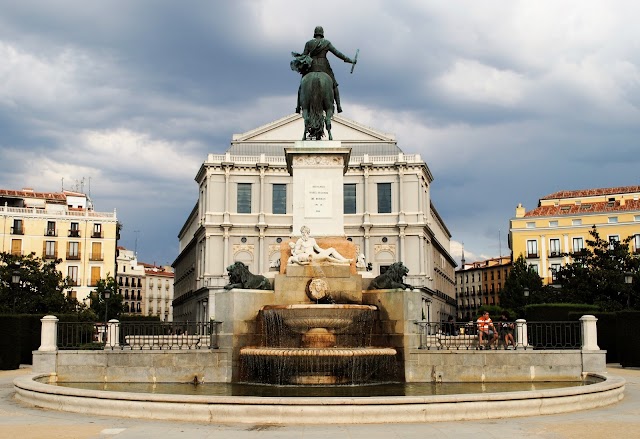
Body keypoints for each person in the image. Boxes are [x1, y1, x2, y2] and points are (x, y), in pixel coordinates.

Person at [291, 26, 356, 113]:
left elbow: (304, 56)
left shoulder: (309, 43)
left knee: (302, 85)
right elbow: (338, 54)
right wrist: (350, 60)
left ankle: (298, 107)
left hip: (311, 66)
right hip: (324, 66)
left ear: (315, 33)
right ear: (322, 33)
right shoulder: (327, 43)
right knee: (334, 85)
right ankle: (339, 106)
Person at [287, 226, 352, 265]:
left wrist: (325, 252)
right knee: (327, 258)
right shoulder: (300, 241)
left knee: (331, 249)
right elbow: (296, 252)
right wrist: (302, 250)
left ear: (308, 233)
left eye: (306, 233)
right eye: (303, 233)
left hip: (316, 255)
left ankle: (344, 260)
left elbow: (318, 249)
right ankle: (341, 262)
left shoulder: (312, 240)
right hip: (309, 257)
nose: (304, 234)